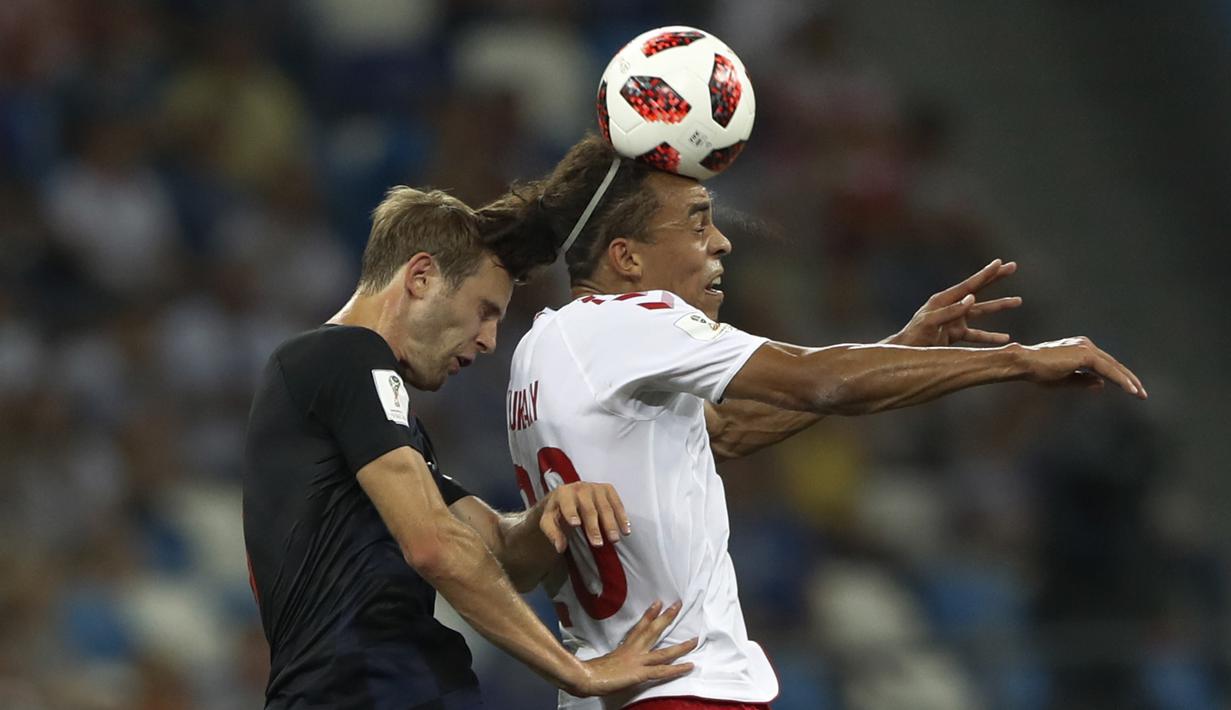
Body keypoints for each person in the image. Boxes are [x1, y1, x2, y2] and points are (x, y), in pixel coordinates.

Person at [482, 134, 1147, 709]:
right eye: (694, 222)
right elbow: (821, 380)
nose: (719, 241)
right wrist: (1018, 361)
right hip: (683, 687)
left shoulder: (541, 349)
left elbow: (727, 433)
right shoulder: (632, 321)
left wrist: (904, 348)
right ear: (626, 258)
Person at [242, 187, 698, 710]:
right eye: (484, 311)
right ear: (420, 277)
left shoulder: (372, 420)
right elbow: (435, 544)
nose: (488, 340)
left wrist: (551, 516)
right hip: (365, 692)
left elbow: (501, 555)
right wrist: (575, 671)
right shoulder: (341, 355)